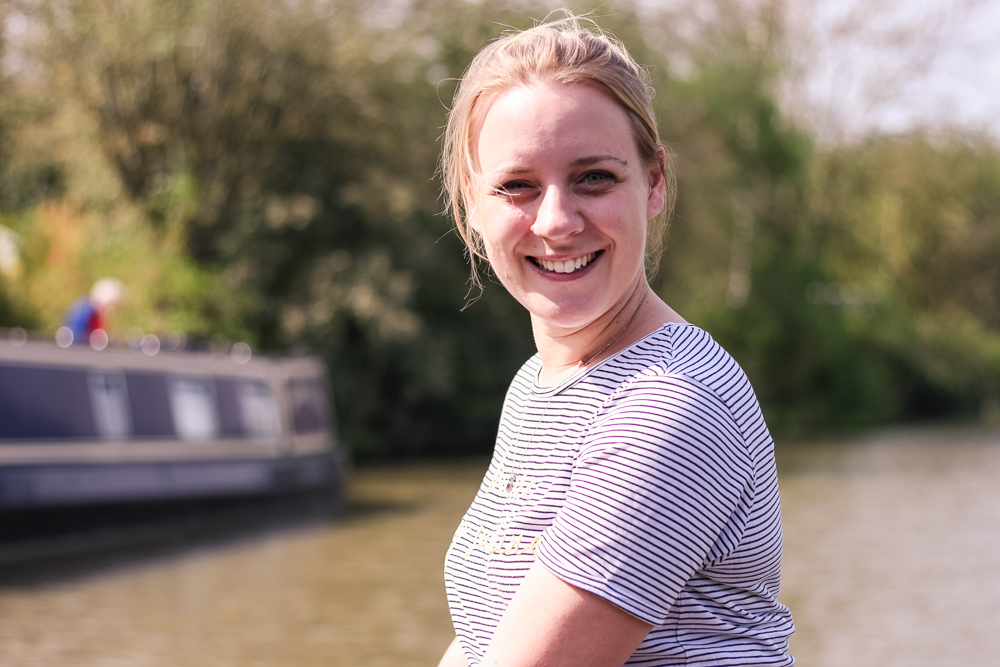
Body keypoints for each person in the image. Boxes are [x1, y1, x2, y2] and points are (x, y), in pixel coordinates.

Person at [437, 15, 794, 667]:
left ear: (654, 182)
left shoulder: (673, 407)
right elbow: (483, 639)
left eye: (593, 177)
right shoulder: (537, 384)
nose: (556, 220)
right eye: (517, 185)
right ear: (473, 201)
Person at [63, 277, 125, 344]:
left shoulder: (92, 311)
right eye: (112, 305)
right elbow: (79, 339)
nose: (113, 310)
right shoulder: (85, 312)